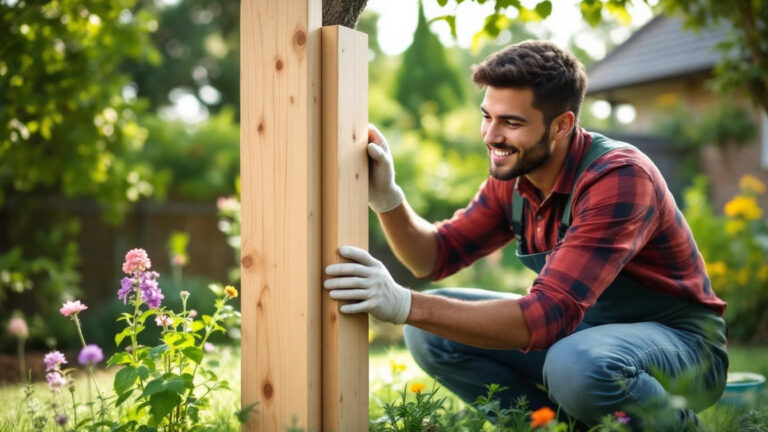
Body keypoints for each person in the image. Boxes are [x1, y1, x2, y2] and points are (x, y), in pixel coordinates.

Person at [323, 40, 727, 430]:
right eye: (487, 116)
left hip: (683, 348)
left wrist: (403, 303)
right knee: (430, 334)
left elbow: (547, 316)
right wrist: (387, 200)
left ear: (562, 125)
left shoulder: (618, 177)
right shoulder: (515, 177)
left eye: (511, 123)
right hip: (589, 337)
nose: (491, 136)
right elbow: (434, 257)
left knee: (575, 364)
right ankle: (552, 429)